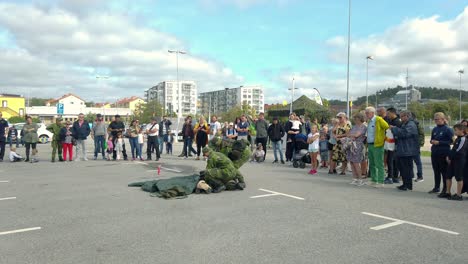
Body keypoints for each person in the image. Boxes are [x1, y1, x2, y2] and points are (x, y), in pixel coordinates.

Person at [391, 111, 419, 191]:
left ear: (407, 116)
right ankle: (405, 184)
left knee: (406, 168)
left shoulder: (411, 124)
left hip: (408, 150)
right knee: (402, 167)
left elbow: (404, 133)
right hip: (403, 149)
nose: (401, 118)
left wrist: (394, 128)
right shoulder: (405, 124)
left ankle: (408, 185)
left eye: (402, 116)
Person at [429, 112, 453, 195]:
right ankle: (436, 187)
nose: (436, 121)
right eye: (435, 119)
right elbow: (431, 139)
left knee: (444, 172)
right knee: (436, 171)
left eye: (437, 119)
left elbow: (451, 141)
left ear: (443, 119)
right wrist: (432, 141)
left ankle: (445, 189)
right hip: (435, 152)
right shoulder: (435, 129)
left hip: (444, 153)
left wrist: (439, 142)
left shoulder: (448, 129)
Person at [365, 107, 389, 187]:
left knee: (379, 163)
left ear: (372, 113)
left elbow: (387, 127)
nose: (366, 114)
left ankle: (381, 181)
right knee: (372, 163)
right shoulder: (369, 121)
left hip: (378, 144)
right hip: (370, 144)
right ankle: (374, 180)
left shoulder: (378, 119)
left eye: (367, 113)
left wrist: (382, 138)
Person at [443, 124, 467, 200]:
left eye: (456, 130)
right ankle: (448, 192)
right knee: (448, 176)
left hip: (459, 161)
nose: (454, 132)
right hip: (453, 160)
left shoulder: (463, 139)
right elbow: (453, 149)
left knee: (459, 177)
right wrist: (449, 156)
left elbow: (459, 150)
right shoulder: (457, 139)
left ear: (461, 130)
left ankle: (459, 195)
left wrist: (450, 156)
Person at [345, 113, 368, 185]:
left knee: (356, 162)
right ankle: (354, 178)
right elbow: (348, 134)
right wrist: (351, 135)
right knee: (351, 162)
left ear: (360, 119)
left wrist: (351, 135)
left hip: (358, 145)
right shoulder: (354, 126)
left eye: (356, 118)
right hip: (351, 145)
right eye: (355, 118)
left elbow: (356, 135)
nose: (355, 120)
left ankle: (360, 179)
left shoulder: (363, 126)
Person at [384, 108, 402, 184]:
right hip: (391, 143)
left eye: (388, 114)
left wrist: (392, 128)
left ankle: (391, 177)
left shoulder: (397, 121)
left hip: (394, 144)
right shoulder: (391, 120)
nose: (387, 115)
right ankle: (394, 177)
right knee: (393, 161)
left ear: (392, 113)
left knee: (390, 160)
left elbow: (399, 132)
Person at [412, 112, 425, 182]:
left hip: (415, 145)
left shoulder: (417, 124)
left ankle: (420, 176)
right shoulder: (413, 123)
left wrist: (419, 144)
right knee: (411, 160)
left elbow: (421, 134)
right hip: (411, 145)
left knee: (417, 161)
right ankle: (412, 175)